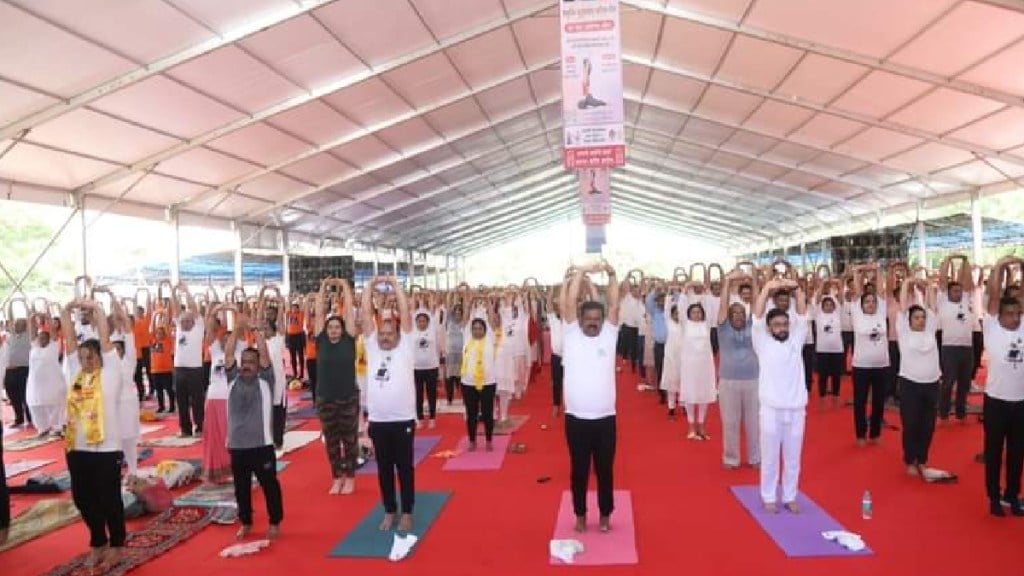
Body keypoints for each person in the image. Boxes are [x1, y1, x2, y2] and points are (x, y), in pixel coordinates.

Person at [60, 298, 127, 569]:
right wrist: (66, 309)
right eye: (82, 357)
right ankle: (98, 541)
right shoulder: (74, 373)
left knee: (109, 498)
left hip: (107, 448)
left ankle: (117, 544)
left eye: (91, 356)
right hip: (77, 447)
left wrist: (97, 310)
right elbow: (68, 338)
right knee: (82, 498)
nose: (86, 360)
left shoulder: (111, 373)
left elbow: (104, 337)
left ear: (102, 357)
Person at [561, 262, 620, 533]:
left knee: (605, 470)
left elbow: (615, 305)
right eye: (589, 319)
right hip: (576, 419)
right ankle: (580, 514)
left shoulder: (609, 335)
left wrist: (611, 275)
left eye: (598, 318)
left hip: (606, 418)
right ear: (581, 320)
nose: (593, 322)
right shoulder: (571, 334)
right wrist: (582, 272)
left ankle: (605, 514)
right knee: (579, 470)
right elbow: (570, 302)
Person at [361, 276, 417, 532]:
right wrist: (370, 286)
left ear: (396, 332)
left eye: (388, 333)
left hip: (403, 419)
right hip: (379, 421)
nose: (384, 337)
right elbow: (364, 314)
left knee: (404, 467)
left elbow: (404, 313)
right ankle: (389, 510)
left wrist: (395, 285)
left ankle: (407, 511)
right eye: (381, 333)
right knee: (383, 469)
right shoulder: (372, 347)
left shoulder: (405, 345)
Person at [752, 279, 808, 514]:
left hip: (796, 409)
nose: (782, 328)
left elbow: (803, 313)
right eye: (777, 325)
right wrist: (768, 288)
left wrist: (795, 288)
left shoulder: (796, 340)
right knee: (771, 456)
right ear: (769, 328)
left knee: (793, 457)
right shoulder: (762, 342)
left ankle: (790, 495)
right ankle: (768, 497)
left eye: (785, 324)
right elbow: (756, 315)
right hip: (771, 409)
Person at [224, 322, 283, 540]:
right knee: (241, 489)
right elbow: (228, 353)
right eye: (244, 362)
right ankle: (246, 522)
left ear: (259, 365)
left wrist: (256, 331)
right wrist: (237, 329)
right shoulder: (232, 380)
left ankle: (275, 522)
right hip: (237, 446)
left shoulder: (265, 381)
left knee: (270, 486)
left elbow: (265, 354)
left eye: (251, 362)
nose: (247, 365)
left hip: (262, 446)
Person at [981, 256, 1024, 517]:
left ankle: (1011, 495)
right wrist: (999, 266)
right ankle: (994, 497)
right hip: (996, 400)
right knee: (994, 450)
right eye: (1009, 314)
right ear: (1000, 314)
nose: (1014, 318)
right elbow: (995, 295)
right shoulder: (992, 327)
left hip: (1021, 402)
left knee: (1018, 452)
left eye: (1018, 313)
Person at [314, 278, 361, 495]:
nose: (333, 330)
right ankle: (336, 476)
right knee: (331, 440)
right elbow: (319, 312)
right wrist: (323, 287)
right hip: (325, 398)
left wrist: (344, 286)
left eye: (337, 327)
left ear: (342, 330)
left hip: (347, 397)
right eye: (330, 327)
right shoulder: (321, 339)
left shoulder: (348, 340)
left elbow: (350, 313)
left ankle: (350, 476)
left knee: (349, 439)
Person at [895, 278, 942, 476]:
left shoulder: (930, 329)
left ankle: (922, 459)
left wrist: (928, 286)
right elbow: (904, 304)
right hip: (910, 384)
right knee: (911, 424)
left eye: (923, 317)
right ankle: (910, 460)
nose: (921, 320)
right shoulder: (903, 331)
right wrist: (909, 282)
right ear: (909, 320)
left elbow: (931, 305)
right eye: (917, 318)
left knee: (928, 425)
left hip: (931, 384)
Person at [717, 271, 760, 469]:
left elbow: (757, 304)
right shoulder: (723, 329)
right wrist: (727, 281)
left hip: (753, 380)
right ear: (728, 316)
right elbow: (723, 304)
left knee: (754, 423)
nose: (738, 316)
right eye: (734, 314)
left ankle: (755, 458)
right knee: (730, 422)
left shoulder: (753, 325)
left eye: (741, 313)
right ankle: (731, 458)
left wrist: (752, 281)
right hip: (728, 382)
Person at [850, 265, 890, 446]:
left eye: (873, 301)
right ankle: (860, 435)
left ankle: (875, 434)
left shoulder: (881, 311)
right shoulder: (857, 313)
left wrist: (877, 270)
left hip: (881, 365)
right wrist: (859, 271)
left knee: (879, 402)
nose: (871, 304)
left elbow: (881, 287)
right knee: (860, 402)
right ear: (861, 304)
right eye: (867, 302)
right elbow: (858, 290)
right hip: (861, 366)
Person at [938, 255, 976, 424]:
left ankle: (961, 414)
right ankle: (944, 414)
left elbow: (967, 280)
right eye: (955, 290)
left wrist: (965, 261)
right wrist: (950, 259)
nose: (959, 293)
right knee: (948, 382)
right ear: (948, 292)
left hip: (967, 348)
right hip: (950, 348)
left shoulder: (966, 299)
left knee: (964, 383)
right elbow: (942, 277)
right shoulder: (943, 301)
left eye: (960, 290)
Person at [679, 285, 717, 440]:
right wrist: (684, 291)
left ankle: (701, 425)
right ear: (689, 314)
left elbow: (710, 306)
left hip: (705, 365)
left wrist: (705, 290)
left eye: (699, 312)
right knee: (689, 395)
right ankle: (691, 425)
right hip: (689, 366)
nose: (696, 314)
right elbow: (681, 307)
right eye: (693, 312)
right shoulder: (685, 324)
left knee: (703, 395)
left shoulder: (706, 325)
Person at [202, 305, 233, 484]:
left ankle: (234, 468)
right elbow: (209, 328)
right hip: (213, 398)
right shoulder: (215, 351)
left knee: (229, 435)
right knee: (213, 436)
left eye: (230, 339)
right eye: (224, 339)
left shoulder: (238, 352)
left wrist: (232, 310)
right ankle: (216, 471)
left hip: (230, 400)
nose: (226, 341)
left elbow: (241, 327)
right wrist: (215, 311)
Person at [171, 284, 206, 437]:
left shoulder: (198, 328)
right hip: (179, 369)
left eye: (187, 321)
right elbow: (176, 309)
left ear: (193, 321)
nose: (184, 323)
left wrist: (187, 292)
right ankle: (185, 428)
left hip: (194, 370)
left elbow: (194, 309)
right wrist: (173, 292)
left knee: (197, 400)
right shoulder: (179, 328)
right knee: (181, 401)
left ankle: (200, 427)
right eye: (183, 321)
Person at [461, 310, 498, 451]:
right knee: (471, 413)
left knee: (488, 413)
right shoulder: (467, 338)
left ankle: (489, 440)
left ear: (485, 330)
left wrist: (489, 302)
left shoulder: (490, 339)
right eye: (474, 329)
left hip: (487, 383)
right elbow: (465, 318)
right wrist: (469, 302)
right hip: (468, 383)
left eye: (480, 328)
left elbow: (492, 319)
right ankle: (472, 440)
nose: (477, 331)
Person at [27, 313, 66, 437]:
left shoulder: (53, 346)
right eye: (40, 337)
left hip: (52, 382)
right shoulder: (34, 347)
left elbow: (54, 331)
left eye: (45, 337)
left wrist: (47, 317)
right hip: (35, 384)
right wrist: (33, 318)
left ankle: (57, 427)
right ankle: (42, 428)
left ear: (49, 339)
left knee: (54, 404)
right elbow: (31, 331)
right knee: (35, 405)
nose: (41, 339)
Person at [813, 284, 845, 407]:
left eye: (831, 305)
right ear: (822, 306)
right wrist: (824, 283)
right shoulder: (818, 314)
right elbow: (817, 298)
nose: (829, 307)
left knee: (836, 375)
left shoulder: (837, 314)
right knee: (823, 375)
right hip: (822, 350)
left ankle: (836, 396)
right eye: (826, 305)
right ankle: (822, 397)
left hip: (837, 350)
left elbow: (841, 297)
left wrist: (838, 284)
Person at [412, 304, 442, 429]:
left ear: (428, 322)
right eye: (419, 321)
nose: (422, 323)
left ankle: (432, 418)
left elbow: (434, 314)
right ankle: (418, 418)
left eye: (424, 321)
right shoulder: (412, 332)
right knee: (418, 394)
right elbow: (411, 313)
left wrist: (430, 302)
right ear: (416, 322)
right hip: (416, 368)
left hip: (431, 367)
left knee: (431, 394)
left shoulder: (432, 331)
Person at [3, 316, 31, 428]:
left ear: (25, 326)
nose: (15, 326)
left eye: (18, 324)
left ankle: (31, 419)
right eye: (15, 324)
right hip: (9, 371)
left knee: (25, 395)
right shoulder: (10, 337)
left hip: (23, 370)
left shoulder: (29, 336)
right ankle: (18, 418)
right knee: (12, 395)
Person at [149, 318, 175, 413]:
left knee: (169, 389)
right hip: (155, 370)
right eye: (158, 333)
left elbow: (167, 328)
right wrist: (155, 316)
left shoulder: (167, 341)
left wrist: (163, 315)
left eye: (161, 333)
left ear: (164, 334)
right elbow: (151, 328)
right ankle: (161, 406)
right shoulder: (152, 341)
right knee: (158, 390)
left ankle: (172, 406)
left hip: (166, 370)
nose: (159, 334)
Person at [548, 288, 565, 417]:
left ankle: (570, 404)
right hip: (556, 356)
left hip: (570, 357)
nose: (560, 309)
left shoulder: (573, 321)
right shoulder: (553, 319)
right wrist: (552, 292)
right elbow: (548, 306)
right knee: (556, 382)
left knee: (570, 381)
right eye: (558, 307)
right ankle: (556, 405)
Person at [285, 302, 306, 382]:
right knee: (292, 356)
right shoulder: (289, 314)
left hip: (299, 336)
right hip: (291, 337)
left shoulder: (300, 314)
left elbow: (303, 307)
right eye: (292, 308)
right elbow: (287, 306)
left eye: (295, 308)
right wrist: (289, 299)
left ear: (298, 308)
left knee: (300, 355)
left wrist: (300, 299)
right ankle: (294, 373)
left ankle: (301, 373)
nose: (293, 309)